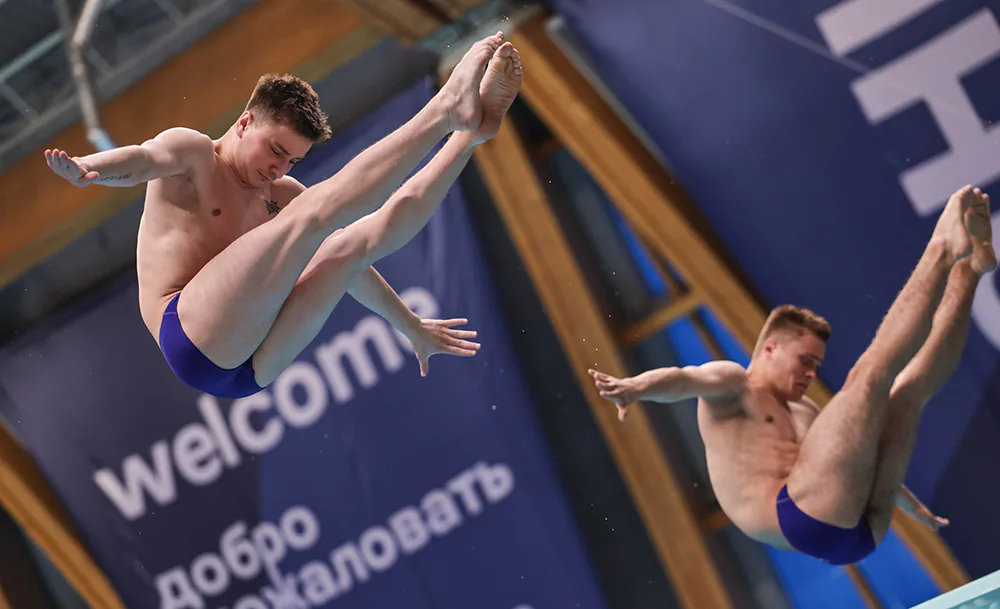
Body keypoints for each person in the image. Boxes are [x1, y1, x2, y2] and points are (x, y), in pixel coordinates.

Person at [44, 32, 522, 398]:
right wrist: (91, 169)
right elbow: (141, 161)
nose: (278, 167)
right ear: (245, 122)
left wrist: (411, 327)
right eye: (275, 150)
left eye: (292, 160)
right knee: (315, 212)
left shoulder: (281, 195)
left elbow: (356, 268)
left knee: (348, 245)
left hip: (252, 370)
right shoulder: (192, 154)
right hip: (189, 335)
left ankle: (468, 136)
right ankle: (444, 110)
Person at [588, 184, 995, 565]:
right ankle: (941, 248)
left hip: (861, 532)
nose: (811, 373)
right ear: (770, 348)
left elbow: (854, 459)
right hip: (800, 516)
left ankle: (970, 270)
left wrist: (909, 505)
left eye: (816, 365)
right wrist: (636, 387)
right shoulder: (734, 385)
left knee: (909, 392)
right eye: (805, 361)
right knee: (869, 375)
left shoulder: (805, 412)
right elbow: (682, 379)